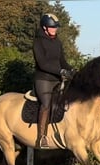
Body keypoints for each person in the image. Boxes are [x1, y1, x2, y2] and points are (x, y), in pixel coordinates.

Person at [33, 13, 75, 149]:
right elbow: (42, 64)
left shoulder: (57, 42)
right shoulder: (38, 42)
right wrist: (61, 71)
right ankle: (42, 137)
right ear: (45, 28)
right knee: (46, 104)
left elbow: (62, 61)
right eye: (52, 27)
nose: (55, 29)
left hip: (57, 78)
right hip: (43, 79)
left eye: (56, 27)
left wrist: (71, 69)